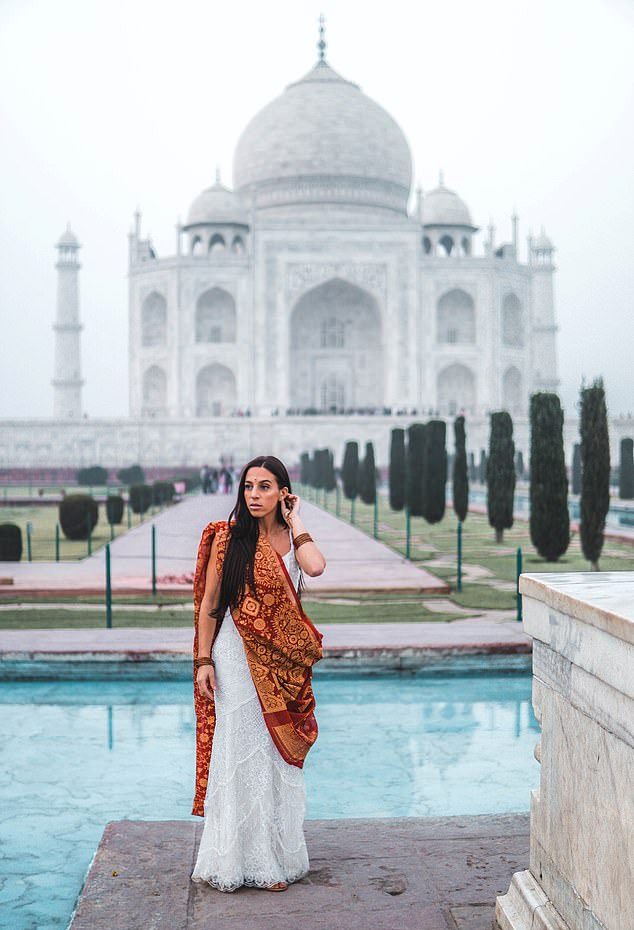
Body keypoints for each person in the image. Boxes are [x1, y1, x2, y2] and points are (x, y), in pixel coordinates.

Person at [190, 455, 326, 893]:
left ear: (282, 492)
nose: (254, 495)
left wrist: (296, 519)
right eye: (249, 486)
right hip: (234, 653)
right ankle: (235, 859)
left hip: (280, 660)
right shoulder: (227, 540)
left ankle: (273, 858)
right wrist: (203, 660)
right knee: (240, 749)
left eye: (265, 486)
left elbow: (316, 566)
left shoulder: (291, 537)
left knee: (271, 755)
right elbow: (212, 603)